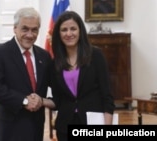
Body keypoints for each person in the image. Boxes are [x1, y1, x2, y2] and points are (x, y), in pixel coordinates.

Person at [42, 11, 115, 141]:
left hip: (93, 123)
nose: (69, 33)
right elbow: (58, 101)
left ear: (80, 31)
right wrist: (40, 101)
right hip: (65, 127)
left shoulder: (96, 56)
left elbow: (107, 96)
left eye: (73, 29)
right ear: (58, 34)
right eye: (64, 30)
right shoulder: (54, 64)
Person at [0, 7, 52, 141]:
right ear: (15, 28)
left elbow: (54, 85)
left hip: (35, 126)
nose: (30, 34)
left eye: (34, 30)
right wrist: (25, 101)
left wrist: (42, 101)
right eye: (25, 29)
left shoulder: (44, 56)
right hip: (9, 126)